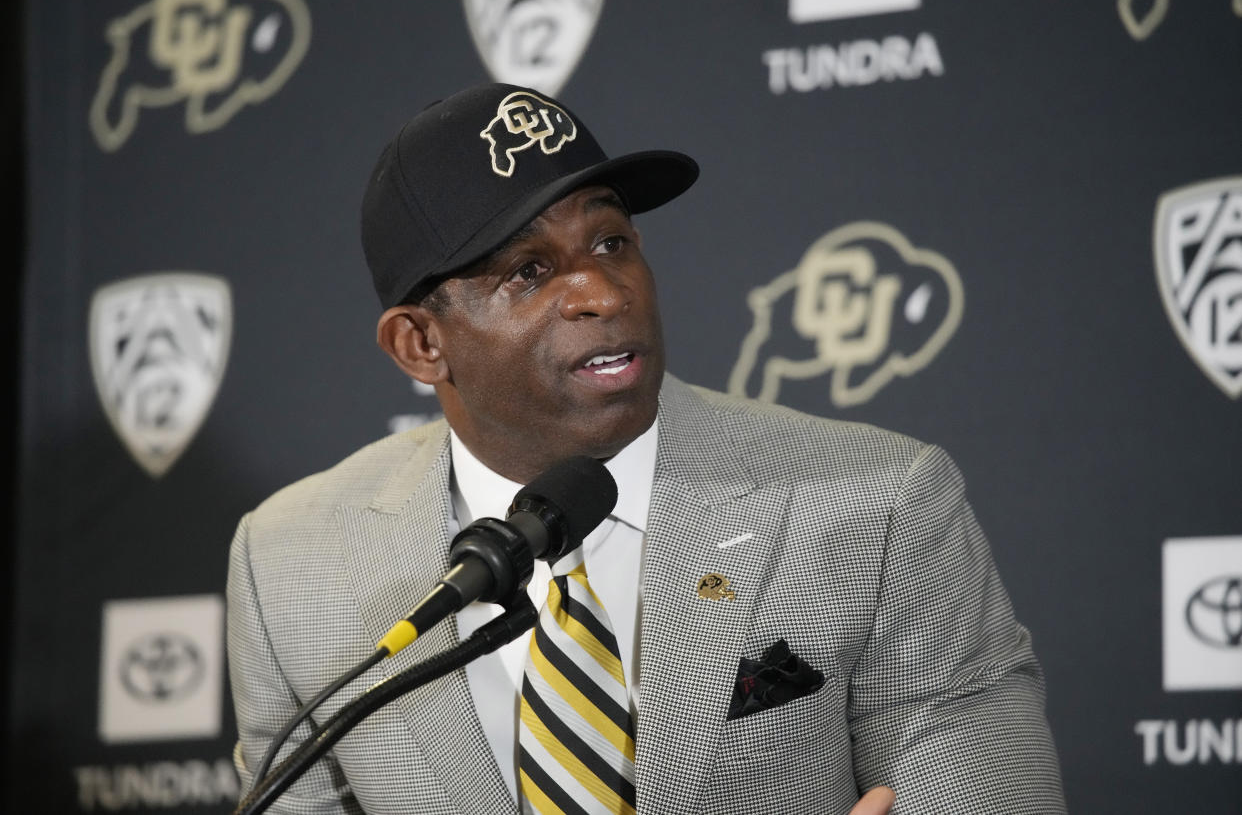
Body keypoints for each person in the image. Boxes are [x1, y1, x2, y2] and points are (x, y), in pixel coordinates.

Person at [227, 83, 1066, 814]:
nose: (601, 290)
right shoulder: (292, 565)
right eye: (527, 271)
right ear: (420, 345)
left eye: (611, 243)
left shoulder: (878, 502)